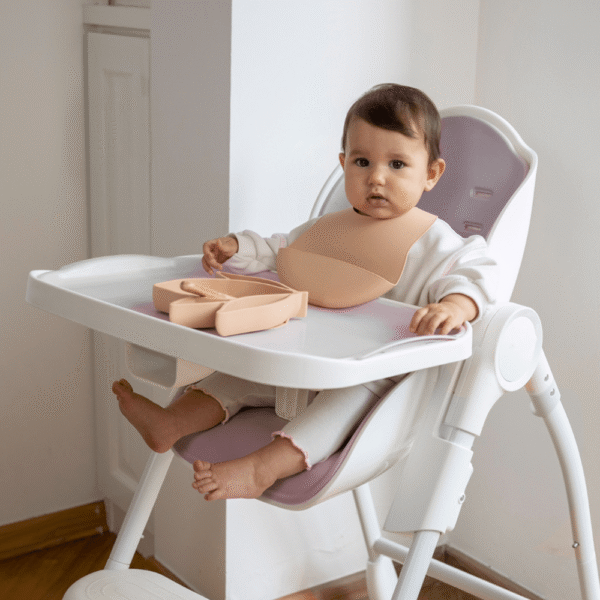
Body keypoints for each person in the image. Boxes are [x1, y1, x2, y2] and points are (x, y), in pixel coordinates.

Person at [113, 84, 497, 501]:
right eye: (362, 162)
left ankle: (262, 468)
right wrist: (237, 248)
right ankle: (171, 423)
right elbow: (280, 252)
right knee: (235, 376)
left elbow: (476, 273)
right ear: (343, 164)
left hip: (373, 380)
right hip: (303, 360)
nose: (376, 177)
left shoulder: (439, 244)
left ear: (431, 174)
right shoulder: (327, 231)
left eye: (397, 164)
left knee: (338, 410)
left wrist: (455, 306)